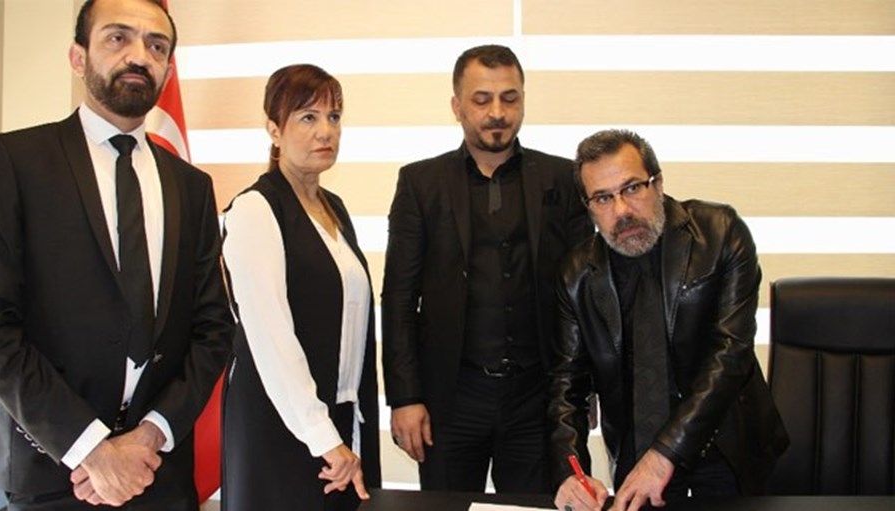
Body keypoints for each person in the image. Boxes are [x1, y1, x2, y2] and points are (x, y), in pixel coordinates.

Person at [0, 0, 234, 509]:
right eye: (117, 38)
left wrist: (150, 436)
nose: (139, 55)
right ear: (78, 57)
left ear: (168, 69)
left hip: (159, 473)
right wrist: (92, 451)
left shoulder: (191, 187)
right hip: (54, 473)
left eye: (156, 46)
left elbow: (213, 330)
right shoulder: (12, 162)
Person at [381, 44, 593, 492]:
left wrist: (583, 389)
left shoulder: (562, 179)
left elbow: (584, 294)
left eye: (509, 98)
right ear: (457, 106)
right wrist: (405, 397)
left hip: (537, 398)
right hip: (450, 400)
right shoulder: (421, 183)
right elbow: (399, 297)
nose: (497, 112)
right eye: (482, 100)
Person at [549, 129, 790, 511]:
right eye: (604, 198)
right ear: (589, 207)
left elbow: (731, 352)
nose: (622, 211)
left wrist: (665, 454)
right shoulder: (576, 273)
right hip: (637, 453)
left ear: (658, 183)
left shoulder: (720, 233)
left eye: (632, 188)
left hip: (729, 447)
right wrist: (571, 470)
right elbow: (567, 383)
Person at [220, 64, 381, 511]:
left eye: (334, 117)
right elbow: (272, 338)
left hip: (338, 418)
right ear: (274, 130)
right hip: (281, 425)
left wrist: (344, 429)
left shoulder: (335, 208)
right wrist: (322, 436)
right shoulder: (255, 209)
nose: (325, 131)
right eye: (308, 117)